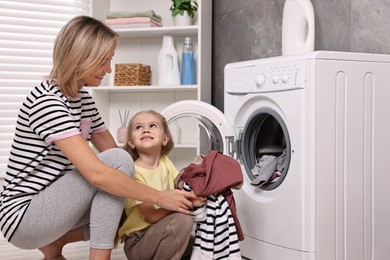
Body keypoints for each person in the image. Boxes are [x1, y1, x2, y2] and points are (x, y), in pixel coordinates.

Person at [0, 16, 196, 260]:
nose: (109, 69)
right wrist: (159, 197)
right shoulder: (47, 102)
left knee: (121, 178)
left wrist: (174, 187)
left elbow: (123, 162)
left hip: (55, 205)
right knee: (116, 167)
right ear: (81, 59)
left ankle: (56, 245)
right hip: (23, 217)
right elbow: (98, 172)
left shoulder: (82, 99)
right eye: (104, 61)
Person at [118, 110, 202, 260]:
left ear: (165, 139)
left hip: (161, 232)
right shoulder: (131, 171)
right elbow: (151, 215)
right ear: (131, 142)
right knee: (182, 220)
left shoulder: (165, 163)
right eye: (138, 127)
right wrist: (183, 204)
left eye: (153, 125)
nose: (146, 129)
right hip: (139, 241)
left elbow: (180, 187)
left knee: (199, 247)